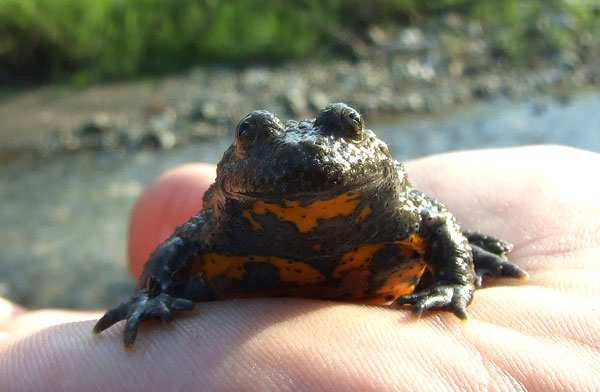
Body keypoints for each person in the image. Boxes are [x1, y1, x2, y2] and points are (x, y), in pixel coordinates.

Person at [0, 145, 598, 391]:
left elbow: (436, 219)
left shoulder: (398, 208)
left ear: (373, 152)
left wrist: (454, 278)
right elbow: (181, 244)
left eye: (344, 129)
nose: (304, 151)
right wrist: (154, 293)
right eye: (253, 137)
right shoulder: (221, 219)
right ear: (230, 168)